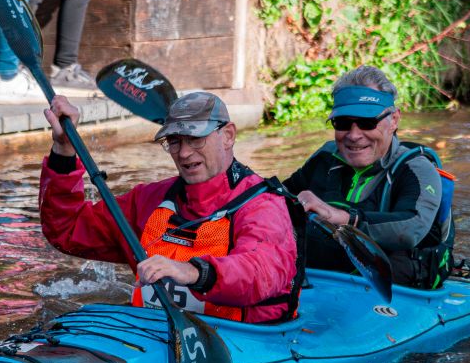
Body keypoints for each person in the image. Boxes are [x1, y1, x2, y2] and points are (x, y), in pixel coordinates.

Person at [40, 92, 300, 323]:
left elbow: (261, 272)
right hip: (153, 337)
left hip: (243, 342)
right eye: (174, 141)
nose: (184, 153)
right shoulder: (149, 200)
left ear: (228, 136)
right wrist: (64, 149)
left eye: (195, 139)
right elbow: (68, 230)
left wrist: (192, 271)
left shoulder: (263, 204)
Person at [282, 65, 455, 289]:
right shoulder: (325, 157)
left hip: (395, 288)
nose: (354, 135)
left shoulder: (417, 169)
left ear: (394, 120)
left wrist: (341, 217)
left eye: (367, 123)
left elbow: (410, 228)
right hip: (325, 280)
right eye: (343, 123)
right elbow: (278, 197)